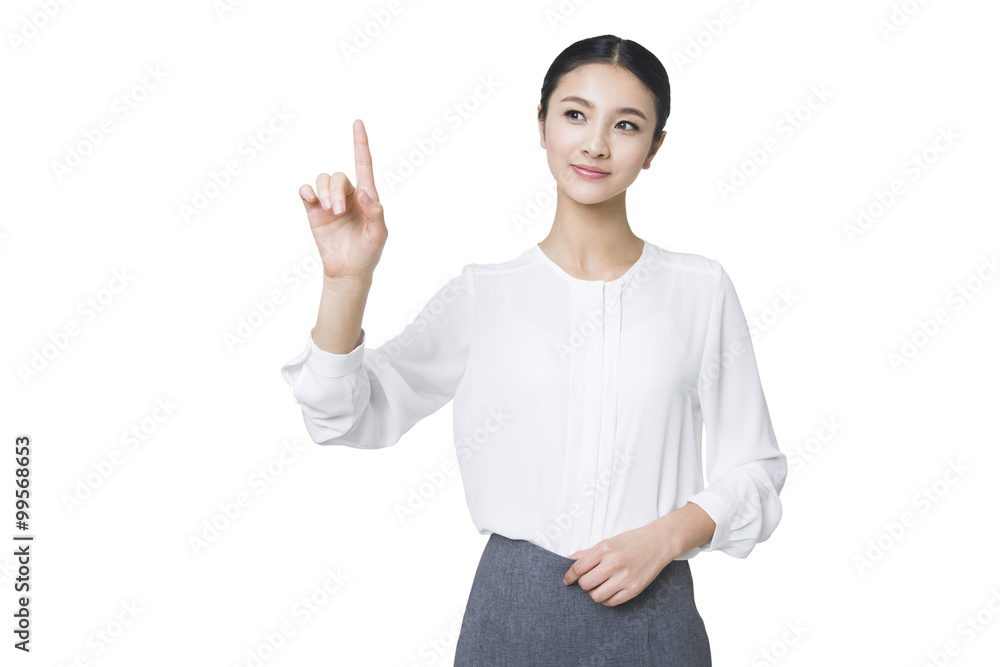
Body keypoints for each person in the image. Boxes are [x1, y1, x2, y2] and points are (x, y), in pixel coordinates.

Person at [281, 34, 787, 667]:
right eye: (575, 114)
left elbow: (756, 469)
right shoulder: (483, 296)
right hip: (512, 615)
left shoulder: (700, 290)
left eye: (626, 125)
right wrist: (345, 282)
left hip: (656, 614)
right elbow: (343, 415)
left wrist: (665, 537)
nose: (596, 143)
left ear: (654, 147)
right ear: (541, 124)